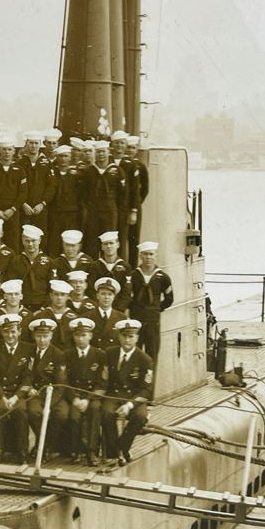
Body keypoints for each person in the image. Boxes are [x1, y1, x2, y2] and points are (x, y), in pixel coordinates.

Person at [101, 319, 153, 466]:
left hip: (134, 397)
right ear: (119, 337)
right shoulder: (110, 353)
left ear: (136, 338)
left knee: (141, 416)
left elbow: (146, 389)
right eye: (124, 336)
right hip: (113, 395)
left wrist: (129, 405)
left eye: (131, 336)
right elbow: (104, 379)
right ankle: (114, 453)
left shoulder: (145, 359)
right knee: (106, 413)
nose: (127, 340)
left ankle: (122, 448)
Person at [0, 313, 34, 463]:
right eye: (6, 331)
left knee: (20, 411)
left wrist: (16, 396)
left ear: (19, 331)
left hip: (17, 394)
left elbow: (28, 377)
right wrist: (3, 396)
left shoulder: (28, 348)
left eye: (13, 331)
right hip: (0, 393)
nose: (10, 335)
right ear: (1, 332)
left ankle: (22, 452)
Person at [64, 318, 106, 466]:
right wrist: (74, 399)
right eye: (78, 335)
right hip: (75, 396)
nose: (81, 339)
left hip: (92, 396)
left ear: (90, 336)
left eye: (84, 335)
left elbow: (102, 382)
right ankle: (76, 451)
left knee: (94, 412)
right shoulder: (67, 355)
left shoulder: (100, 355)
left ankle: (92, 451)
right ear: (73, 337)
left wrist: (88, 399)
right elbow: (64, 381)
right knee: (74, 417)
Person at [25, 318, 68, 461]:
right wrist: (29, 388)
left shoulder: (58, 354)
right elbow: (26, 374)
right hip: (35, 393)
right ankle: (42, 445)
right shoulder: (28, 351)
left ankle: (45, 445)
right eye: (38, 336)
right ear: (34, 336)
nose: (42, 340)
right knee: (34, 412)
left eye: (45, 336)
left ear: (51, 336)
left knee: (61, 414)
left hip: (54, 394)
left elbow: (61, 384)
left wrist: (50, 404)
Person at [130, 241, 173, 361]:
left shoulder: (163, 277)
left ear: (155, 256)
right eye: (145, 254)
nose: (148, 257)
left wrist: (157, 308)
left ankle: (150, 380)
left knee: (152, 356)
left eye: (151, 254)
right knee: (134, 355)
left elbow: (169, 298)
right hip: (136, 320)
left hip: (153, 322)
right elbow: (128, 296)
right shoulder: (133, 276)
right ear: (140, 256)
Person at [0, 134, 27, 249]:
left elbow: (23, 193)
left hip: (12, 211)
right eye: (4, 150)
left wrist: (13, 209)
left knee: (13, 240)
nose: (7, 152)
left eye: (9, 149)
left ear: (13, 151)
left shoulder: (19, 170)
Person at [7, 225, 54, 311]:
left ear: (39, 240)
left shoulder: (49, 262)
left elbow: (52, 289)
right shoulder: (16, 261)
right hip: (21, 306)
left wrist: (43, 308)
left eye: (33, 241)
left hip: (43, 306)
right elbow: (12, 286)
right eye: (27, 241)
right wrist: (20, 308)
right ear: (22, 241)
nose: (30, 244)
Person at [18, 130, 55, 240]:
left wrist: (42, 204)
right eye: (31, 143)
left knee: (40, 237)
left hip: (40, 209)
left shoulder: (47, 163)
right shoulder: (19, 164)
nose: (33, 146)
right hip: (23, 208)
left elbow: (51, 186)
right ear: (26, 144)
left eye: (36, 143)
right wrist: (23, 204)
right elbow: (16, 186)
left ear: (40, 144)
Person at [121, 134, 150, 266]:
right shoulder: (121, 164)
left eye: (133, 148)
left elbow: (145, 189)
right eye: (128, 147)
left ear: (136, 150)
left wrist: (136, 203)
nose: (130, 150)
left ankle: (132, 266)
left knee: (133, 239)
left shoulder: (140, 166)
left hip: (135, 208)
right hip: (122, 207)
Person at [47, 146, 81, 256]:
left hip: (71, 213)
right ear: (56, 157)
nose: (63, 159)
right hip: (55, 212)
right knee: (54, 241)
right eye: (60, 156)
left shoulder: (75, 174)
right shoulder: (52, 173)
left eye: (66, 156)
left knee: (70, 239)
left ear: (70, 157)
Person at [91, 231, 133, 312]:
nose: (109, 246)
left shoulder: (125, 267)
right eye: (105, 244)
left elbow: (126, 292)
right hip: (99, 310)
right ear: (102, 247)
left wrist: (117, 310)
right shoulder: (95, 266)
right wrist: (100, 309)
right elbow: (91, 291)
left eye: (111, 243)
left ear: (118, 244)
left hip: (118, 311)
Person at [90, 277, 126, 351]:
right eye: (103, 294)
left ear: (114, 297)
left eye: (110, 294)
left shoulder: (122, 318)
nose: (106, 297)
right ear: (97, 296)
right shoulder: (88, 317)